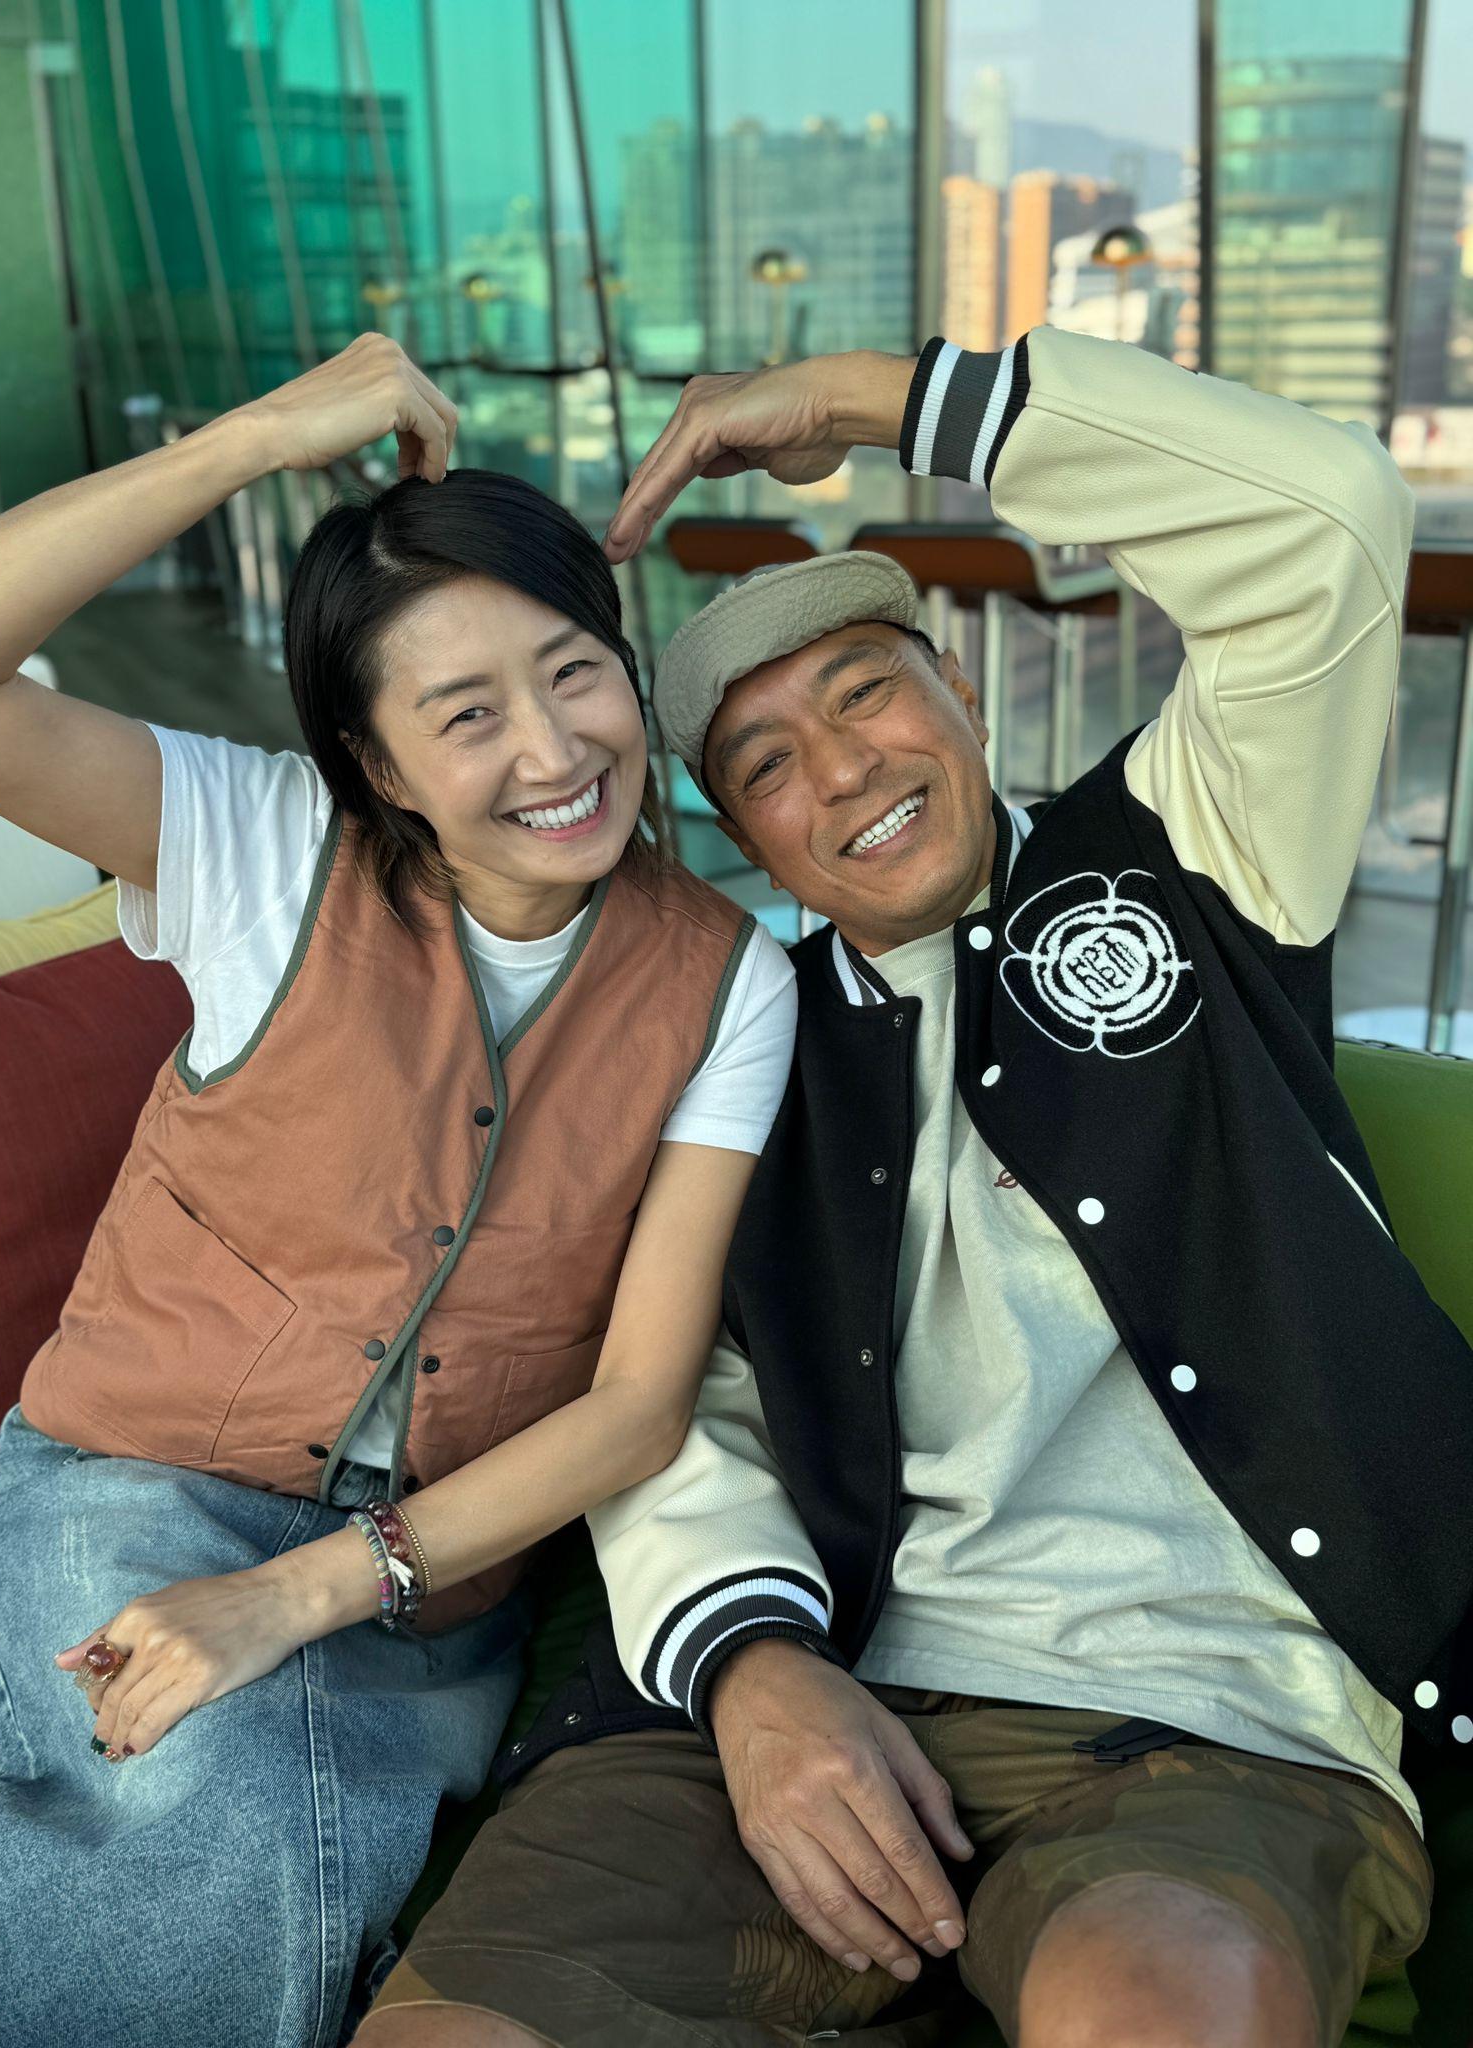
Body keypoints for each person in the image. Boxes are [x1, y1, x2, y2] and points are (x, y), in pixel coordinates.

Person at [354, 325, 1473, 2048]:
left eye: (866, 692)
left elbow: (1326, 519)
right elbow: (672, 1402)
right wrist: (750, 1669)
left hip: (1201, 1715)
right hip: (807, 1696)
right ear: (745, 840)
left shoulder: (1196, 854)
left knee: (1164, 2007)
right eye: (765, 768)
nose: (843, 771)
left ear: (960, 684)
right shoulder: (738, 1041)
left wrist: (870, 402)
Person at [0, 332, 796, 2048]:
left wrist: (308, 1590)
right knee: (217, 1802)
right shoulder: (258, 848)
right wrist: (247, 440)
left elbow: (637, 1404)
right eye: (467, 714)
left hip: (427, 1578)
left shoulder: (727, 981)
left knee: (265, 1829)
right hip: (132, 1486)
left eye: (577, 673)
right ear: (381, 765)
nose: (554, 748)